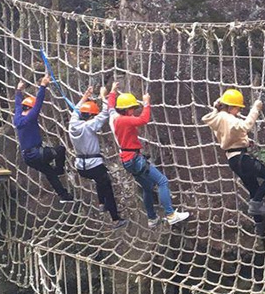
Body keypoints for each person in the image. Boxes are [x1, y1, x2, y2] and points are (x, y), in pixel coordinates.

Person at [107, 82, 189, 228]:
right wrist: (146, 104)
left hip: (128, 160)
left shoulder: (114, 117)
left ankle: (152, 218)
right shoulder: (125, 120)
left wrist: (112, 91)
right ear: (126, 109)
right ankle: (170, 215)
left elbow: (110, 107)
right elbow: (143, 120)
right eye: (132, 108)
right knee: (162, 181)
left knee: (147, 187)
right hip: (135, 159)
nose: (133, 111)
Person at [202, 89, 265, 235]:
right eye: (237, 108)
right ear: (230, 107)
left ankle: (260, 225)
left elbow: (232, 136)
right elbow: (245, 126)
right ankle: (256, 205)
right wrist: (256, 109)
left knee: (253, 190)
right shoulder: (227, 118)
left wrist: (246, 143)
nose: (239, 110)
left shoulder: (218, 118)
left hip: (234, 159)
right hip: (243, 160)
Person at [68, 85, 128, 230]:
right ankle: (115, 219)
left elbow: (76, 109)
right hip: (93, 164)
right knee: (107, 187)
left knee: (100, 180)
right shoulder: (89, 125)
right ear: (90, 116)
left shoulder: (72, 124)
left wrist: (85, 96)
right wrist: (105, 95)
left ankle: (101, 204)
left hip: (81, 166)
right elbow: (106, 112)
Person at [14, 75, 73, 203]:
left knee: (50, 173)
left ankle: (64, 196)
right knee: (60, 150)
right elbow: (38, 103)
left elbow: (17, 105)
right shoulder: (30, 118)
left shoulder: (17, 117)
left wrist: (19, 91)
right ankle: (59, 169)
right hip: (36, 154)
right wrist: (43, 86)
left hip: (28, 157)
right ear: (30, 108)